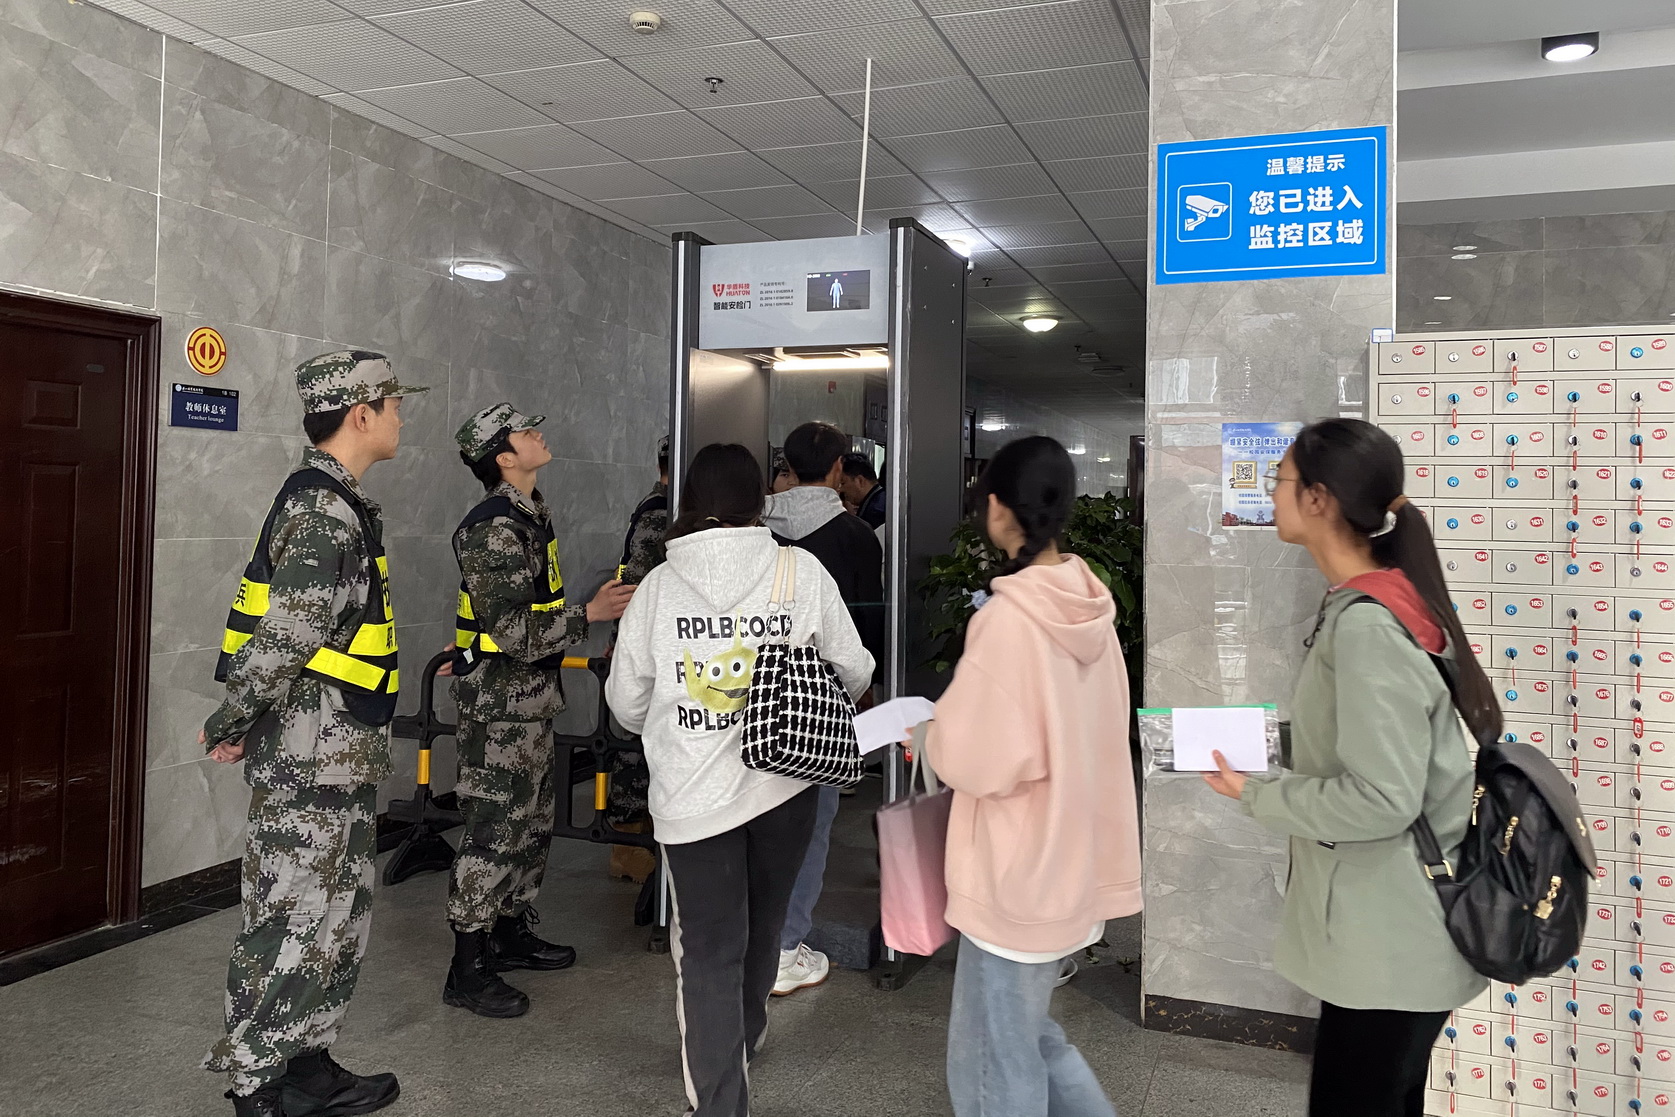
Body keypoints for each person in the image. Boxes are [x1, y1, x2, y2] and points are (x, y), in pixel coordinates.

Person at [1202, 418, 1492, 1117]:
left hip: (1391, 937)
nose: (1269, 493)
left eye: (1278, 480)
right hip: (1388, 931)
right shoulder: (1372, 602)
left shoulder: (1368, 624)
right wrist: (1266, 743)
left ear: (1318, 498)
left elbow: (1381, 799)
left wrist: (1257, 792)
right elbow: (1363, 741)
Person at [605, 444, 873, 1117]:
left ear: (689, 500)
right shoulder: (799, 569)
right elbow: (854, 668)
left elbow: (626, 701)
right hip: (785, 788)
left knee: (707, 948)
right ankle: (743, 1035)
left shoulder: (659, 587)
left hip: (692, 799)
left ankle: (720, 1095)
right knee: (764, 924)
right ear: (759, 500)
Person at [200, 351, 428, 1117]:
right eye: (392, 405)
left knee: (333, 918)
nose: (401, 417)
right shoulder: (321, 510)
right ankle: (257, 1085)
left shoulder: (343, 503)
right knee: (288, 917)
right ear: (360, 414)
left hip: (335, 750)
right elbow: (283, 638)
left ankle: (306, 1064)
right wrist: (234, 718)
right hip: (306, 753)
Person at [924, 435, 1140, 1117]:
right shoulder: (1091, 608)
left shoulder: (1011, 621)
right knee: (1029, 1035)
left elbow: (975, 760)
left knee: (992, 1061)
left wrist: (930, 732)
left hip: (1014, 872)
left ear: (997, 509)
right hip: (1071, 860)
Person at [443, 403, 636, 1018]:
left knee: (529, 826)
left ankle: (509, 931)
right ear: (504, 457)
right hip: (500, 709)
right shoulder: (492, 528)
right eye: (526, 432)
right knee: (494, 831)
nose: (539, 435)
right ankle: (467, 965)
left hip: (527, 701)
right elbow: (512, 630)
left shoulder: (529, 513)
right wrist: (590, 614)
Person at [760, 421, 886, 996]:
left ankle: (754, 940)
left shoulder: (755, 530)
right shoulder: (855, 536)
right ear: (838, 468)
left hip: (750, 697)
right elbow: (865, 630)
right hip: (823, 699)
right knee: (811, 824)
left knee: (756, 820)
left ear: (787, 467)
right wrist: (865, 687)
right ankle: (786, 947)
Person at [605, 436, 670, 885]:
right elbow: (636, 585)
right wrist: (626, 643)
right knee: (633, 749)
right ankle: (626, 844)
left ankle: (640, 835)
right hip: (644, 645)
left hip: (647, 641)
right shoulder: (658, 513)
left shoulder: (662, 507)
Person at [838, 451, 886, 529]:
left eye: (843, 483)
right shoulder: (881, 499)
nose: (840, 489)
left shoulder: (875, 513)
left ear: (860, 481)